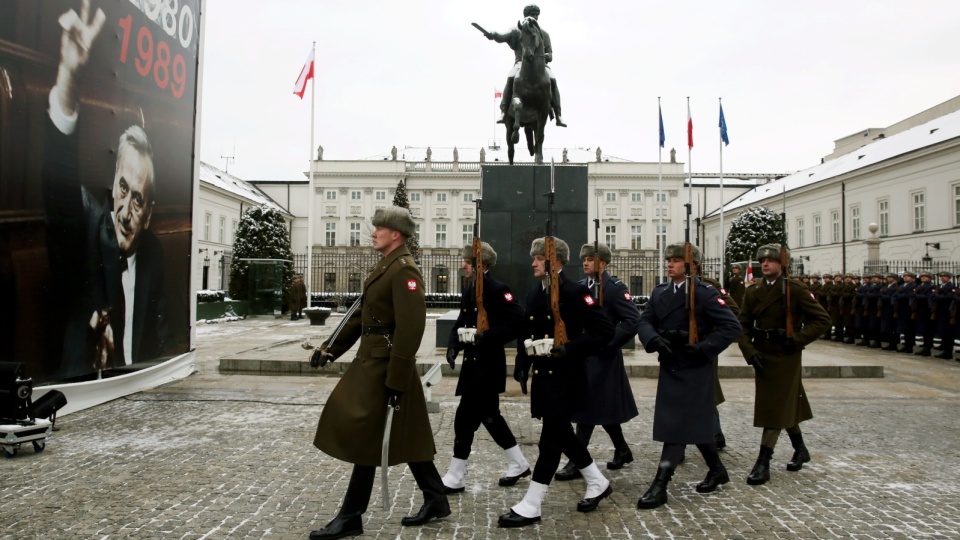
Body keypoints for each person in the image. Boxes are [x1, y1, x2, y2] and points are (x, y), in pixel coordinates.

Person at [43, 2, 171, 377]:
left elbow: (161, 340)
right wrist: (68, 77)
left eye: (138, 199)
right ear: (112, 186)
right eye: (122, 188)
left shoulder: (153, 257)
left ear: (148, 214)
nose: (126, 210)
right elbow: (59, 187)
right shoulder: (86, 227)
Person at [309, 207, 449, 540]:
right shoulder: (385, 267)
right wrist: (330, 349)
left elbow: (411, 328)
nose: (373, 233)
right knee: (401, 434)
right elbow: (361, 318)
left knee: (366, 433)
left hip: (385, 365)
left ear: (395, 234)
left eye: (379, 228)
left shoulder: (404, 271)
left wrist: (397, 378)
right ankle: (436, 498)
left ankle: (351, 516)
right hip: (372, 361)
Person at [498, 237, 614, 528]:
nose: (533, 263)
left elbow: (603, 330)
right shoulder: (537, 293)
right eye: (533, 258)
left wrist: (570, 347)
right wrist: (522, 365)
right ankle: (597, 481)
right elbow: (529, 331)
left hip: (566, 376)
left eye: (538, 258)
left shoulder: (574, 292)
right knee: (562, 435)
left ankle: (531, 504)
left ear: (555, 262)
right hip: (544, 377)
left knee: (550, 440)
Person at [634, 243, 741, 509]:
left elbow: (731, 326)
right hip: (670, 363)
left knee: (677, 426)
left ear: (691, 266)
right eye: (668, 260)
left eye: (676, 260)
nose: (669, 264)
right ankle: (717, 470)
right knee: (690, 421)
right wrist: (654, 340)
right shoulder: (660, 293)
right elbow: (644, 320)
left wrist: (704, 347)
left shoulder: (704, 293)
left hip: (694, 366)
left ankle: (660, 484)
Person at [736, 244, 831, 486]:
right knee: (781, 403)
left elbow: (822, 320)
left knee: (775, 406)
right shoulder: (753, 290)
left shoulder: (794, 289)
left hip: (786, 354)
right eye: (763, 260)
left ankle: (763, 461)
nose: (766, 264)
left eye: (771, 260)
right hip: (763, 353)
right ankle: (800, 449)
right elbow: (743, 325)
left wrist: (797, 339)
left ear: (782, 264)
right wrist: (749, 351)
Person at [440, 241, 531, 494]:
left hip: (488, 364)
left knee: (466, 417)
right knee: (489, 417)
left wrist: (487, 335)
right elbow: (462, 321)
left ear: (482, 265)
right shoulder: (471, 291)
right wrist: (453, 346)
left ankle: (456, 475)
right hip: (472, 364)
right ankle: (518, 463)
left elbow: (516, 322)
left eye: (467, 262)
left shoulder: (498, 289)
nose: (463, 266)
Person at [554, 243, 640, 481]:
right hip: (583, 354)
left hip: (603, 356)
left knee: (587, 408)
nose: (585, 263)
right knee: (599, 406)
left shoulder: (614, 288)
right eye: (583, 259)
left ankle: (577, 461)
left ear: (603, 263)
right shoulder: (581, 287)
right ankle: (622, 449)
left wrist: (610, 342)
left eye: (590, 259)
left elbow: (632, 320)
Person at [482, 4, 567, 127]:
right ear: (525, 15)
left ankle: (558, 115)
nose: (535, 17)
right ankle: (504, 110)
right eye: (532, 14)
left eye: (536, 15)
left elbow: (550, 54)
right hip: (520, 64)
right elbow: (502, 36)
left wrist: (546, 56)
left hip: (540, 65)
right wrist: (493, 34)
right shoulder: (516, 30)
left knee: (553, 79)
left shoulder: (544, 34)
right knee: (511, 76)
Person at [933, 271, 956, 359]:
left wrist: (937, 296)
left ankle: (947, 352)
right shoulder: (940, 286)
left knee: (947, 333)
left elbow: (949, 297)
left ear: (949, 278)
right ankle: (944, 349)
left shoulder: (951, 287)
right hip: (940, 312)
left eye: (945, 277)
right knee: (942, 331)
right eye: (941, 277)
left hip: (946, 312)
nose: (942, 278)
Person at [913, 271, 936, 356]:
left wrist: (916, 296)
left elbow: (928, 297)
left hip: (926, 310)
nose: (923, 278)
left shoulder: (931, 286)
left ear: (929, 278)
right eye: (922, 276)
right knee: (922, 329)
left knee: (927, 330)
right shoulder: (920, 286)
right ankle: (925, 347)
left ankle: (927, 349)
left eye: (925, 276)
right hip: (920, 309)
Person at [894, 271, 918, 353]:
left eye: (908, 276)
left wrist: (900, 295)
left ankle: (909, 346)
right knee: (904, 328)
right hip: (901, 309)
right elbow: (896, 294)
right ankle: (906, 345)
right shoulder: (901, 285)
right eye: (904, 276)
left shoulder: (914, 285)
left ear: (912, 278)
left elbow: (908, 295)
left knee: (909, 329)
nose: (905, 277)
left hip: (908, 309)